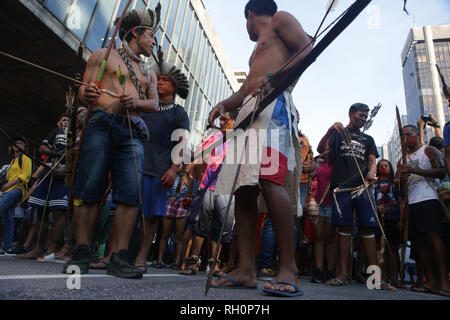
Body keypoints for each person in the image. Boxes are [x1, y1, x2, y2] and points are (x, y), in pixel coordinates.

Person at [208, 0, 312, 296]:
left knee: (269, 180)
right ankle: (246, 269)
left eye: (246, 21)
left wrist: (276, 79)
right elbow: (244, 90)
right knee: (244, 189)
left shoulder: (281, 19)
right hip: (250, 110)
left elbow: (307, 50)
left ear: (250, 15)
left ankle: (289, 268)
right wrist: (223, 104)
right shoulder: (257, 51)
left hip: (273, 107)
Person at [63, 7, 160, 279]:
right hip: (101, 123)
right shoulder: (103, 56)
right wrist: (88, 91)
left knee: (131, 194)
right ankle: (81, 250)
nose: (154, 41)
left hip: (132, 132)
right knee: (89, 187)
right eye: (151, 35)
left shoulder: (149, 72)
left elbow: (153, 104)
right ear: (135, 34)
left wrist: (136, 102)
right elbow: (84, 89)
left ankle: (118, 256)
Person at [133, 49, 190, 273]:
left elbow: (182, 142)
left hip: (159, 169)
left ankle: (141, 256)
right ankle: (115, 253)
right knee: (125, 210)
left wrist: (174, 169)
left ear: (175, 88)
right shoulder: (145, 105)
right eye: (159, 80)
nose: (161, 84)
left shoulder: (178, 112)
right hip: (134, 162)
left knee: (150, 216)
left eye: (165, 81)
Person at [317, 103, 379, 287]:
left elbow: (372, 160)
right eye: (360, 115)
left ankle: (375, 279)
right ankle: (343, 275)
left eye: (365, 117)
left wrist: (371, 173)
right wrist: (329, 131)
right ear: (351, 114)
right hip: (342, 188)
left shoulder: (368, 138)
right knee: (344, 230)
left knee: (368, 230)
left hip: (363, 188)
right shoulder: (339, 133)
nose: (363, 119)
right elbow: (321, 150)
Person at [179, 111, 237, 276]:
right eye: (220, 119)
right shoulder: (214, 136)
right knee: (200, 227)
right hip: (207, 187)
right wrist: (184, 174)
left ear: (234, 120)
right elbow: (198, 156)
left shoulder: (240, 139)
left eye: (225, 118)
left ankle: (214, 266)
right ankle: (194, 262)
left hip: (227, 191)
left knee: (221, 230)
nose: (221, 121)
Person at [397, 125, 449, 297]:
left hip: (428, 199)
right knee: (420, 242)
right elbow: (398, 184)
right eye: (403, 136)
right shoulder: (401, 159)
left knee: (433, 237)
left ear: (417, 135)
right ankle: (431, 281)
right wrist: (400, 179)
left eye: (409, 135)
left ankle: (444, 282)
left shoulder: (429, 150)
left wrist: (413, 170)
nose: (406, 139)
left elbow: (442, 172)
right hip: (412, 202)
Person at [19, 113, 69, 260]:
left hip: (63, 178)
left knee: (59, 212)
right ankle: (37, 248)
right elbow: (42, 148)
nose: (65, 122)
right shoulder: (55, 133)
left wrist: (66, 170)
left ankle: (53, 249)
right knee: (41, 211)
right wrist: (55, 153)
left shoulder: (77, 135)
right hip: (49, 174)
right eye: (63, 120)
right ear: (58, 122)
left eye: (68, 120)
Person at [374, 159, 403, 289]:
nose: (383, 168)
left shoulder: (395, 183)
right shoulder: (374, 183)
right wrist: (375, 208)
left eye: (385, 166)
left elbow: (401, 201)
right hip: (378, 219)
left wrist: (402, 219)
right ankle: (383, 277)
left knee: (393, 248)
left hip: (393, 218)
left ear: (390, 168)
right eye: (380, 166)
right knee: (381, 249)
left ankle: (395, 277)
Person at [0, 136, 32, 254]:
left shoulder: (25, 158)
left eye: (21, 143)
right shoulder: (13, 161)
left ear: (25, 147)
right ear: (13, 147)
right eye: (16, 143)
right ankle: (7, 246)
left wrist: (7, 186)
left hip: (15, 190)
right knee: (7, 219)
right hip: (9, 191)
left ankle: (7, 245)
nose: (18, 145)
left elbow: (25, 176)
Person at [310, 151, 337, 284]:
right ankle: (319, 270)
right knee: (319, 236)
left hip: (333, 203)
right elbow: (311, 175)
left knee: (330, 237)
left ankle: (330, 270)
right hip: (320, 203)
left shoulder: (338, 163)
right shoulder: (322, 163)